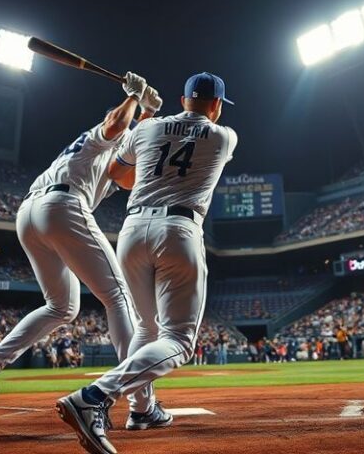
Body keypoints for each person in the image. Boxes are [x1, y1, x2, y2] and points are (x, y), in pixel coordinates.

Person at [0, 72, 163, 433]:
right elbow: (116, 125)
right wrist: (133, 98)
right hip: (63, 205)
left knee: (63, 307)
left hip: (30, 213)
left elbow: (130, 154)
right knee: (118, 297)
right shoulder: (101, 137)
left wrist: (147, 111)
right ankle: (141, 404)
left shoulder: (111, 160)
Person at [56, 72, 237, 454]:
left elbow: (117, 175)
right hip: (179, 228)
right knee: (178, 341)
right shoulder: (224, 136)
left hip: (132, 229)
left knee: (146, 326)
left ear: (184, 98)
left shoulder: (149, 127)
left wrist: (145, 112)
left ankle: (141, 410)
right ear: (216, 105)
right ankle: (95, 395)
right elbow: (193, 146)